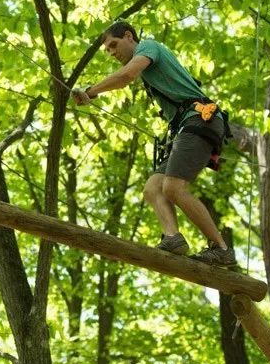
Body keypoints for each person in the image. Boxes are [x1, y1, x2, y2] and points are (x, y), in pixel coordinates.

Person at [71, 21, 236, 268]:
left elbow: (127, 75)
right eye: (108, 50)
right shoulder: (147, 59)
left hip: (200, 120)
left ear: (129, 36)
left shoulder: (148, 47)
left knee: (173, 188)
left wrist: (91, 91)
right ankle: (173, 238)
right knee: (153, 188)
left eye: (113, 45)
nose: (112, 52)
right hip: (189, 125)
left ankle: (220, 248)